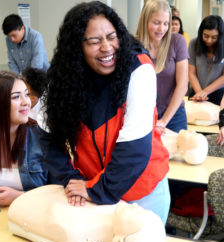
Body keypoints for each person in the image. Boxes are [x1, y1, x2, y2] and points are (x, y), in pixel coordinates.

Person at [38, 1, 170, 224]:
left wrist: (96, 190)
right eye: (94, 41)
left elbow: (134, 149)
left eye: (112, 36)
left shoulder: (138, 69)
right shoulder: (64, 75)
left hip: (142, 195)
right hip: (90, 193)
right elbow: (46, 134)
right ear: (76, 46)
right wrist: (72, 180)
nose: (107, 47)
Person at [8, 185, 166, 242]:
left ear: (119, 240)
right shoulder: (114, 204)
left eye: (137, 216)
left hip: (24, 206)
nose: (136, 207)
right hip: (35, 198)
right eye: (144, 211)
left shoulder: (74, 231)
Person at [0, 70, 57, 206]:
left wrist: (19, 197)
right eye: (16, 97)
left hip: (31, 220)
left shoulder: (44, 138)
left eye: (27, 95)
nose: (26, 102)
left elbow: (63, 191)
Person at [136, 0, 189, 133]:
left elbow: (182, 85)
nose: (162, 29)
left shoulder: (177, 41)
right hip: (143, 114)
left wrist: (164, 121)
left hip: (173, 114)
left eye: (166, 24)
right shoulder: (134, 45)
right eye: (156, 23)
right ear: (145, 20)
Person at [188, 15, 224, 105]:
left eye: (214, 37)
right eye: (206, 36)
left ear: (220, 36)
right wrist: (199, 93)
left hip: (219, 93)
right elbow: (191, 73)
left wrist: (205, 92)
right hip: (197, 91)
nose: (209, 40)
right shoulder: (193, 43)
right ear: (201, 33)